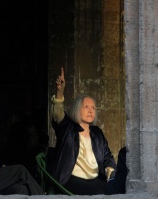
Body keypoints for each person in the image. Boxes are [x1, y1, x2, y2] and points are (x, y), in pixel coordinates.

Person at [48, 66, 126, 195]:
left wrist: (110, 171)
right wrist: (60, 93)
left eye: (93, 108)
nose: (91, 110)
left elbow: (108, 157)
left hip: (95, 180)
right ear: (78, 109)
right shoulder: (68, 129)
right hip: (70, 180)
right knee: (104, 191)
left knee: (118, 185)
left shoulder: (97, 133)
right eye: (86, 107)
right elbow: (58, 115)